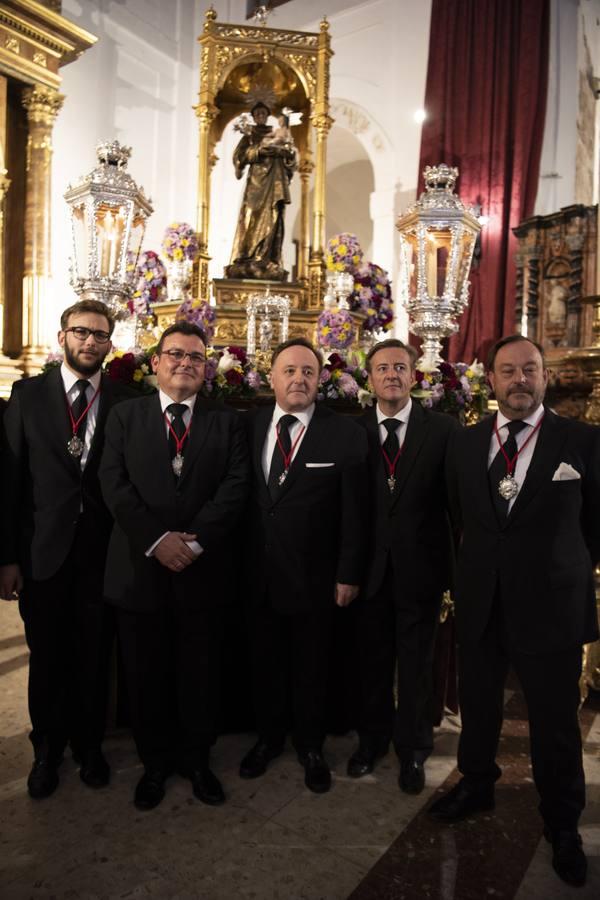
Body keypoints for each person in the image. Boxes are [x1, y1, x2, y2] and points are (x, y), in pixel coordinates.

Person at [429, 334, 600, 889]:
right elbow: (461, 515)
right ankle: (477, 782)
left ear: (545, 376)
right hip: (482, 600)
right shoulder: (464, 442)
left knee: (554, 724)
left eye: (530, 369)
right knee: (479, 707)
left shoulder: (584, 441)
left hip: (550, 607)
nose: (519, 380)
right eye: (508, 371)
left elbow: (595, 527)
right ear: (492, 379)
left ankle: (563, 823)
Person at [99, 321, 248, 811]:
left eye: (196, 357)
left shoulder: (226, 421)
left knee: (199, 675)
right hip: (140, 572)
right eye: (176, 355)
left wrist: (194, 544)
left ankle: (197, 762)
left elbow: (235, 487)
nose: (186, 363)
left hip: (203, 575)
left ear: (206, 369)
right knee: (146, 677)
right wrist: (158, 541)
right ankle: (155, 764)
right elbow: (113, 484)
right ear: (157, 362)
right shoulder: (124, 416)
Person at [0, 299, 135, 798]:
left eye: (100, 335)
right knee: (48, 655)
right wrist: (7, 557)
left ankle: (89, 746)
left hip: (102, 554)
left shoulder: (125, 401)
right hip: (43, 552)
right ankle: (45, 750)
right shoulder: (27, 395)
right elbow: (10, 483)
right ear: (62, 337)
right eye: (81, 332)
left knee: (95, 654)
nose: (90, 342)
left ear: (108, 343)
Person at [240, 337, 368, 793]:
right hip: (257, 576)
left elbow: (356, 512)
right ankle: (268, 740)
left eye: (308, 372)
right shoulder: (249, 427)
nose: (299, 379)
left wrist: (349, 573)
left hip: (317, 579)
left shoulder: (344, 432)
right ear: (271, 378)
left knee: (313, 667)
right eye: (289, 371)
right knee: (264, 664)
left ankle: (310, 747)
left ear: (320, 380)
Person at [347, 339, 458, 793]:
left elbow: (456, 506)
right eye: (381, 368)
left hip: (422, 570)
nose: (391, 375)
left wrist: (454, 573)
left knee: (415, 667)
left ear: (414, 376)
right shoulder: (351, 432)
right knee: (371, 664)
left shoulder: (445, 430)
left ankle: (413, 751)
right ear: (369, 379)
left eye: (400, 367)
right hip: (368, 572)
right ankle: (370, 742)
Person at [225, 101, 297, 282]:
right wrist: (259, 150)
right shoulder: (250, 135)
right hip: (256, 184)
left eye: (263, 113)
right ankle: (248, 257)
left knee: (274, 217)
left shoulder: (277, 133)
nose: (260, 116)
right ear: (254, 116)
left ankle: (267, 259)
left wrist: (286, 154)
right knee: (251, 217)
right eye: (257, 113)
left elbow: (291, 158)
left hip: (275, 182)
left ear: (267, 115)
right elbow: (239, 157)